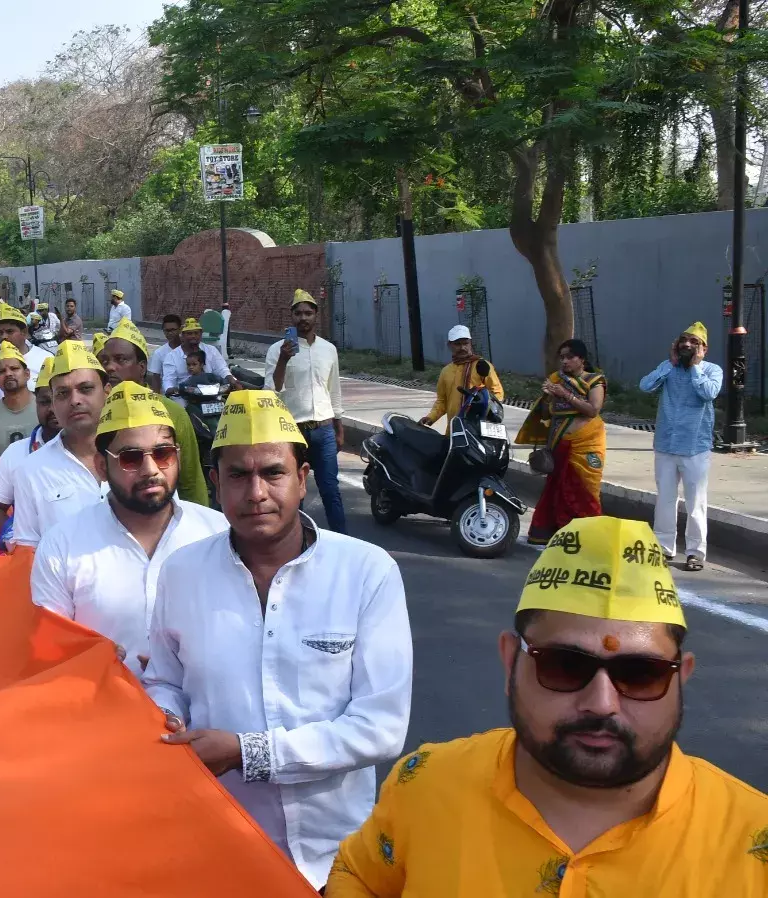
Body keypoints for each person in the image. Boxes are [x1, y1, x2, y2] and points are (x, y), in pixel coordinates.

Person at [327, 516, 768, 897]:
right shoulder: (423, 785)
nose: (602, 703)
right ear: (509, 661)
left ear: (680, 676)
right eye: (564, 666)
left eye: (640, 674)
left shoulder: (753, 840)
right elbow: (359, 875)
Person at [144, 389, 412, 888]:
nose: (256, 493)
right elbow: (164, 679)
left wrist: (249, 753)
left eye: (272, 472)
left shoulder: (366, 572)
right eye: (239, 476)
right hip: (225, 841)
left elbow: (380, 727)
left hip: (341, 855)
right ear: (215, 482)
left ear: (303, 479)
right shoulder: (181, 573)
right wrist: (167, 718)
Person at [31, 383, 226, 672]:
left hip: (205, 713)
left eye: (163, 454)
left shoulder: (218, 533)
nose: (151, 470)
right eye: (131, 458)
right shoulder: (62, 546)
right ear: (101, 467)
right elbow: (49, 654)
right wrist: (89, 660)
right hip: (102, 708)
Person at [8, 341, 109, 549]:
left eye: (86, 389)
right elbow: (28, 553)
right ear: (53, 404)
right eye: (63, 393)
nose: (75, 400)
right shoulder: (31, 471)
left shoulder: (141, 455)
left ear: (107, 392)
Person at [639, 322, 724, 571]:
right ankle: (663, 547)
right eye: (683, 340)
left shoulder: (711, 370)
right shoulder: (669, 369)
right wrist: (670, 364)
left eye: (694, 342)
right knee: (665, 499)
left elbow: (709, 393)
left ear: (704, 349)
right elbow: (645, 386)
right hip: (666, 444)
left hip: (695, 447)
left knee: (695, 501)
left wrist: (695, 368)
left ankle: (695, 552)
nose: (687, 345)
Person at [98, 319, 210, 508]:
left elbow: (190, 484)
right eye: (105, 361)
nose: (110, 367)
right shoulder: (100, 412)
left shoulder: (172, 412)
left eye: (121, 359)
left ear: (141, 367)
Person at [264, 289, 347, 533]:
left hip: (324, 430)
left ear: (316, 316)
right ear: (291, 316)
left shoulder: (328, 349)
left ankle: (341, 541)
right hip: (293, 431)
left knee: (330, 489)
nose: (303, 318)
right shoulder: (277, 349)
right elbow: (272, 389)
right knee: (293, 493)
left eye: (308, 313)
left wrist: (338, 426)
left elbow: (334, 389)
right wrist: (283, 359)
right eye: (298, 313)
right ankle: (294, 542)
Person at [516, 339, 607, 546]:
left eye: (570, 357)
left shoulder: (595, 381)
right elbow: (549, 413)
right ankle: (555, 532)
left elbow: (593, 410)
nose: (564, 361)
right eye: (562, 357)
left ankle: (588, 535)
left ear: (581, 359)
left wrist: (564, 394)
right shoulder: (557, 379)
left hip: (587, 443)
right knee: (557, 487)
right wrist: (548, 398)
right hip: (559, 440)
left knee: (585, 490)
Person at [0, 357, 62, 544]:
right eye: (44, 402)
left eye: (60, 398)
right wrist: (16, 539)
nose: (53, 409)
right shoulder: (16, 452)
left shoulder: (102, 450)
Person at [0, 305, 52, 433]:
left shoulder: (45, 358)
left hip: (39, 432)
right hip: (0, 432)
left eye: (10, 331)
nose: (4, 336)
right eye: (0, 332)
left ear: (24, 332)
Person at [420, 324, 505, 433]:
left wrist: (485, 410)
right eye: (457, 344)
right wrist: (431, 417)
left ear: (470, 344)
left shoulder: (482, 366)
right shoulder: (446, 371)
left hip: (478, 429)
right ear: (449, 345)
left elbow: (497, 393)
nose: (462, 348)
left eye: (466, 343)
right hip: (454, 429)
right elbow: (442, 401)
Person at [0, 342, 39, 457]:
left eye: (14, 368)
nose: (8, 374)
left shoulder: (43, 407)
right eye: (2, 371)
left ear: (27, 374)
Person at [162, 318, 235, 397]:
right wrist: (170, 389)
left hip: (211, 392)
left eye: (196, 333)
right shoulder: (172, 356)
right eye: (189, 334)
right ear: (182, 336)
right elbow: (168, 379)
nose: (193, 336)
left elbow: (222, 369)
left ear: (201, 335)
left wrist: (231, 380)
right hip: (184, 395)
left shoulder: (211, 350)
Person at [146, 313, 183, 393]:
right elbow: (156, 378)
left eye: (173, 330)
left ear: (180, 329)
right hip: (169, 396)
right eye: (167, 330)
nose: (170, 333)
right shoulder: (159, 353)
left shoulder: (189, 348)